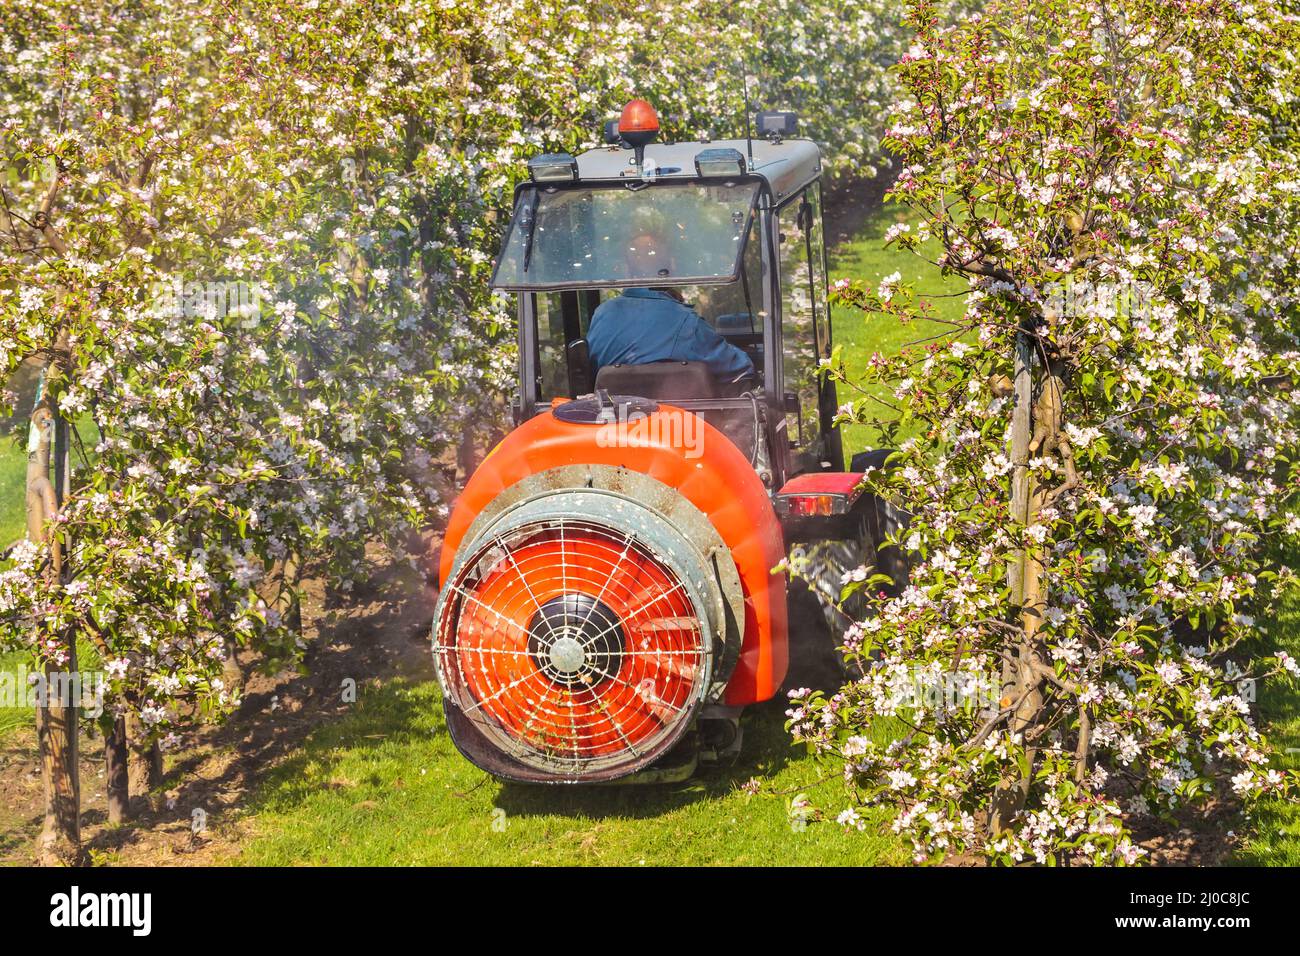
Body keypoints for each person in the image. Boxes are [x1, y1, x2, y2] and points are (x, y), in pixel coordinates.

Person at [587, 233, 754, 383]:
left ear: (625, 271)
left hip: (615, 417)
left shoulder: (602, 315)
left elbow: (593, 370)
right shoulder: (686, 322)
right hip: (680, 416)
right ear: (671, 269)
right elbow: (739, 369)